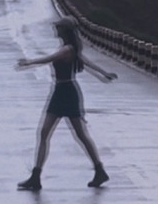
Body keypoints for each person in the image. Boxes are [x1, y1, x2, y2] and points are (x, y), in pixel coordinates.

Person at [16, 15, 117, 191]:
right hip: (60, 91)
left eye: (58, 27)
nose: (55, 29)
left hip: (68, 93)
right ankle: (36, 176)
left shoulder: (68, 49)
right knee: (44, 133)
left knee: (81, 135)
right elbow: (87, 62)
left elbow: (50, 58)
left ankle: (99, 170)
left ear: (65, 30)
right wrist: (104, 73)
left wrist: (30, 62)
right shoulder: (70, 49)